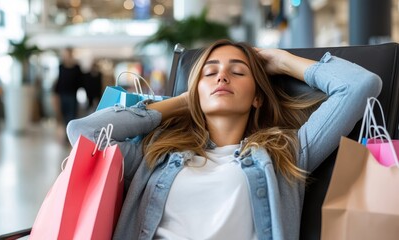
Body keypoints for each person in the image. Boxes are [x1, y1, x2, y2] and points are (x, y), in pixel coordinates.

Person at [66, 39, 382, 240]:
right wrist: (181, 102)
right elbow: (84, 133)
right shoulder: (154, 154)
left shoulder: (284, 154)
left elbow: (359, 86)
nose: (222, 76)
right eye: (210, 72)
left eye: (238, 71)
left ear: (257, 97)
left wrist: (282, 60)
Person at [53, 47, 83, 130]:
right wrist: (55, 94)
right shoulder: (61, 66)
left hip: (72, 95)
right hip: (62, 94)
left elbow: (80, 81)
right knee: (63, 115)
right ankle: (66, 133)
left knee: (72, 116)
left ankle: (70, 134)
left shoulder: (77, 67)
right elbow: (59, 80)